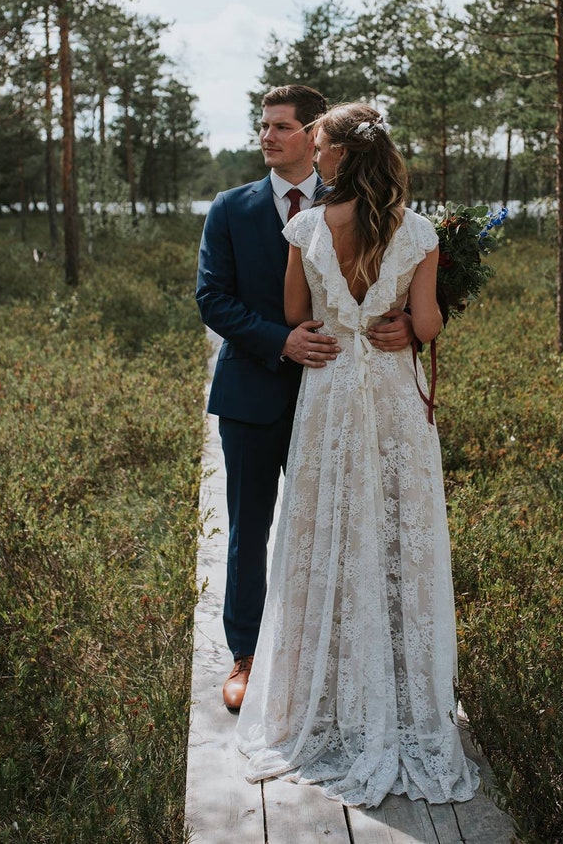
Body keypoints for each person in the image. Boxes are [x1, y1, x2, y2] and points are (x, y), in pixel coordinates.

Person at [236, 102, 481, 807]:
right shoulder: (420, 230)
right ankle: (402, 688)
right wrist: (404, 318)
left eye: (317, 141)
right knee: (399, 527)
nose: (312, 149)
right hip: (394, 396)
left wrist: (335, 318)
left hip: (331, 387)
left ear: (337, 157)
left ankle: (327, 690)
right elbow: (428, 321)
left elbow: (293, 315)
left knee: (323, 528)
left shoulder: (308, 226)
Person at [196, 85, 414, 711]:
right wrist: (281, 342)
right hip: (255, 392)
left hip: (346, 396)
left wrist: (414, 330)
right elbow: (213, 300)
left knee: (346, 525)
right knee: (250, 527)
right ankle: (247, 654)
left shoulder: (367, 204)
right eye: (262, 125)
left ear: (316, 134)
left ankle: (339, 657)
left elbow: (416, 281)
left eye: (282, 127)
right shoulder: (230, 209)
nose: (266, 136)